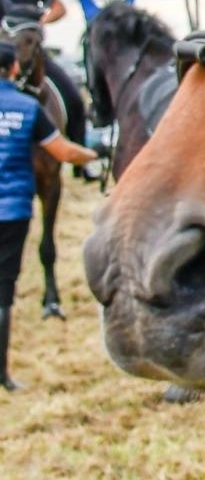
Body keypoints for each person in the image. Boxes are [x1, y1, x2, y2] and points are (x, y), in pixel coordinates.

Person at [0, 41, 103, 391]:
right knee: (3, 291)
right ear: (15, 68)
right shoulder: (29, 108)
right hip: (12, 211)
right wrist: (94, 155)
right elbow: (63, 151)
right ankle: (2, 374)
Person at [0, 0, 92, 172]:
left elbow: (60, 8)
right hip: (2, 60)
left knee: (74, 99)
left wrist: (39, 22)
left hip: (34, 56)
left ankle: (81, 164)